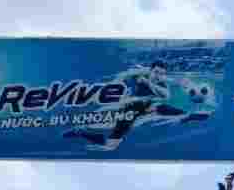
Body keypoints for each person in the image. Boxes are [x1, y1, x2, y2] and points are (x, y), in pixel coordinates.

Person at [64, 61, 216, 151]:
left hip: (147, 109)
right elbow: (123, 76)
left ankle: (190, 115)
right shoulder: (139, 73)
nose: (158, 75)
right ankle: (80, 132)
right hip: (128, 110)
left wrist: (150, 82)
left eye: (161, 73)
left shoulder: (161, 83)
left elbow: (165, 95)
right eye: (156, 72)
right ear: (151, 70)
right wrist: (124, 79)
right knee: (111, 145)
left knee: (157, 107)